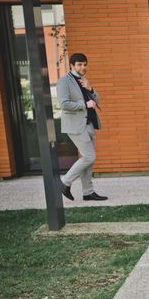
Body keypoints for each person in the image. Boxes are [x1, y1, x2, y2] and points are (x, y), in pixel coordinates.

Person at [57, 53, 108, 201]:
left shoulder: (83, 80)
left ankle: (88, 192)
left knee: (89, 160)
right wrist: (84, 104)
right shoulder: (63, 82)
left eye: (85, 64)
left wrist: (90, 88)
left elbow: (97, 100)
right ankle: (65, 181)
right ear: (72, 65)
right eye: (79, 64)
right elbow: (64, 104)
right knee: (89, 156)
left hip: (89, 124)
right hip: (75, 125)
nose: (83, 67)